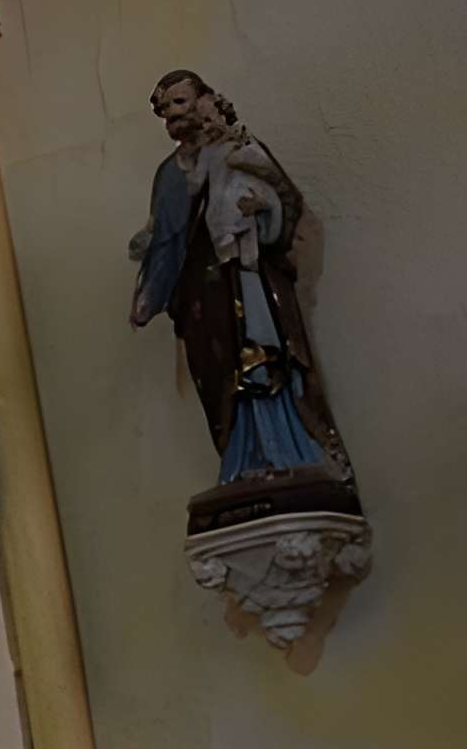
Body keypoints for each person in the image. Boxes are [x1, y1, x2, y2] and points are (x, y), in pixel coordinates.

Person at [129, 70, 351, 488]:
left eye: (180, 102)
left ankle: (292, 452)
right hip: (200, 297)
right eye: (165, 110)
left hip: (248, 279)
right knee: (219, 377)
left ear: (206, 101)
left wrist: (261, 211)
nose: (173, 116)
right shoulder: (169, 174)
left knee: (264, 359)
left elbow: (283, 203)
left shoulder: (240, 148)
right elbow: (165, 236)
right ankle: (241, 461)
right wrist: (149, 271)